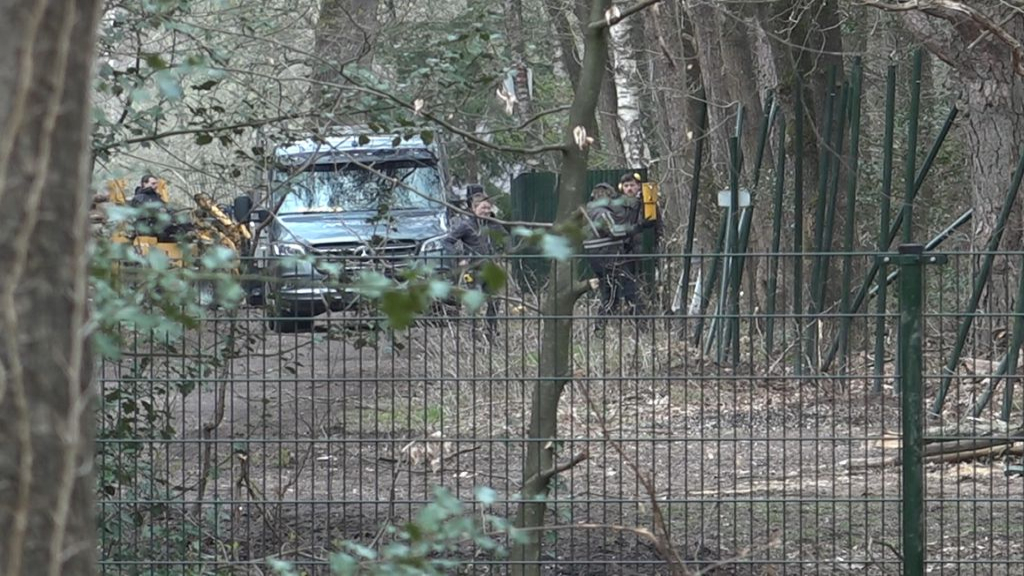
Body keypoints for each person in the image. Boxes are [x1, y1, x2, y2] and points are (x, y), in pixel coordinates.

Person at [443, 191, 506, 336]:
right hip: (474, 270)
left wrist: (502, 254)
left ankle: (491, 331)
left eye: (488, 208)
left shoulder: (493, 224)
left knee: (495, 301)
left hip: (491, 269)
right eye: (483, 208)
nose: (486, 211)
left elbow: (506, 238)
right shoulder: (466, 225)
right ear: (474, 208)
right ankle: (474, 332)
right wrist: (460, 258)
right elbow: (447, 241)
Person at [583, 183, 638, 332]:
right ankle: (638, 323)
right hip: (607, 255)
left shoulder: (589, 211)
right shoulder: (601, 212)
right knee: (622, 289)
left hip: (598, 256)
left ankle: (601, 328)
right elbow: (613, 231)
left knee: (610, 292)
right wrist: (632, 229)